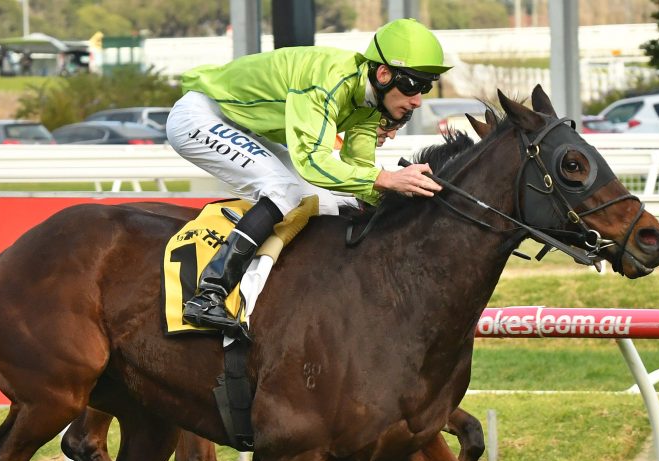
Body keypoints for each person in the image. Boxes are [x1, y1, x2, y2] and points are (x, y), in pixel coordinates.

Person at [165, 18, 450, 337]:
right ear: (383, 74)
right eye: (413, 85)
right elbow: (313, 162)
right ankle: (210, 293)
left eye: (426, 87)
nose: (418, 100)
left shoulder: (369, 104)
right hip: (201, 117)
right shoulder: (327, 80)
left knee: (328, 200)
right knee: (283, 189)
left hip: (244, 126)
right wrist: (387, 180)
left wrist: (404, 198)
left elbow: (358, 172)